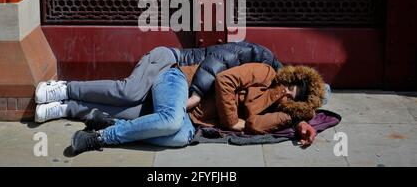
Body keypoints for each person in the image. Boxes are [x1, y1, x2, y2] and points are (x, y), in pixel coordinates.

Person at [68, 62, 329, 154]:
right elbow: (224, 80)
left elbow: (252, 125)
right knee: (170, 121)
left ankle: (110, 124)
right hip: (180, 81)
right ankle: (100, 138)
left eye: (290, 96)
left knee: (180, 137)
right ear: (290, 77)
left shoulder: (277, 110)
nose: (285, 92)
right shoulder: (265, 72)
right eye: (288, 86)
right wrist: (230, 122)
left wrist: (287, 115)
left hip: (193, 119)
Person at [34, 41, 283, 123]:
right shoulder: (257, 55)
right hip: (169, 61)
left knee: (133, 113)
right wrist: (196, 95)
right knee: (129, 92)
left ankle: (66, 107)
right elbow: (217, 61)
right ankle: (64, 88)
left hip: (174, 89)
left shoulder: (268, 94)